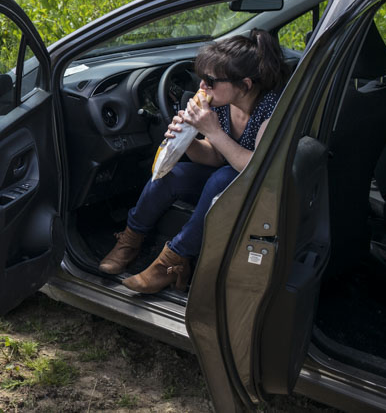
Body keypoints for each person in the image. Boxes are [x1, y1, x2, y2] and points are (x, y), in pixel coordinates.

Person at [98, 28, 286, 294]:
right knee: (172, 175)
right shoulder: (221, 104)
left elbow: (255, 168)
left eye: (210, 81)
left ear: (244, 85)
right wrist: (187, 140)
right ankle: (130, 240)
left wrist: (212, 131)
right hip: (223, 174)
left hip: (256, 188)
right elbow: (215, 155)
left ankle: (172, 262)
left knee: (222, 179)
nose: (202, 87)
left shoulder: (270, 110)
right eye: (202, 78)